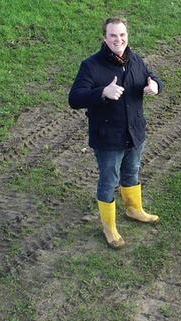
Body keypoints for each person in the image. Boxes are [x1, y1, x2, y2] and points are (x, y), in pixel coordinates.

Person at [69, 17, 161, 249]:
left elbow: (153, 77)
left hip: (135, 132)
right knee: (108, 181)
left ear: (127, 36)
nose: (118, 39)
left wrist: (155, 86)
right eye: (113, 35)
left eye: (122, 35)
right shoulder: (91, 65)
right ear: (104, 38)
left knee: (131, 172)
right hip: (108, 137)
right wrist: (102, 92)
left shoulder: (135, 59)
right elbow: (75, 98)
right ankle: (109, 227)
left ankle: (133, 209)